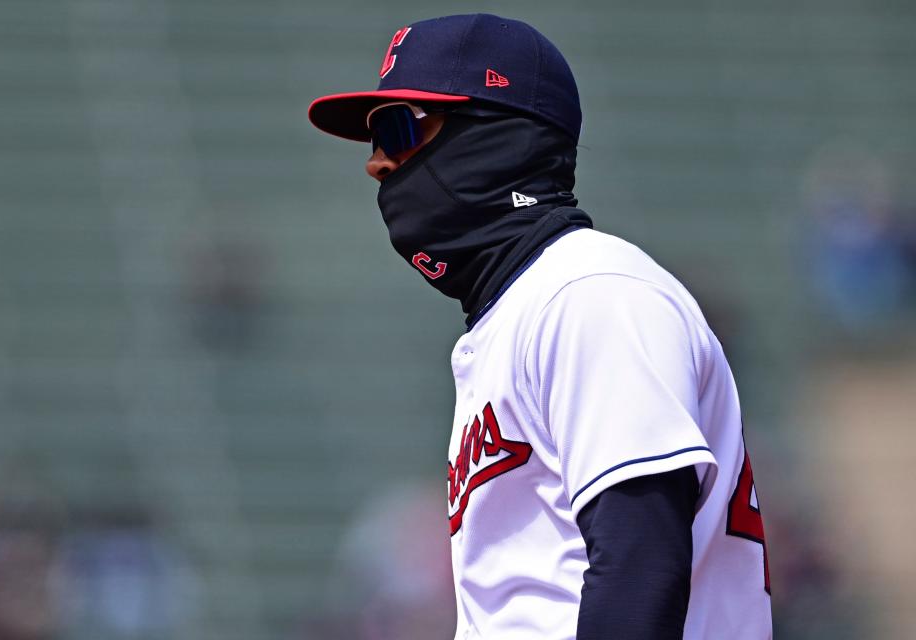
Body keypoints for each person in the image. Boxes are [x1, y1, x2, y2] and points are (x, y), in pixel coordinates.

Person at [308, 14, 772, 640]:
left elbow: (639, 567)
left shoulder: (590, 293)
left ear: (499, 136)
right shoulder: (524, 310)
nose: (378, 164)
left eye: (400, 129)